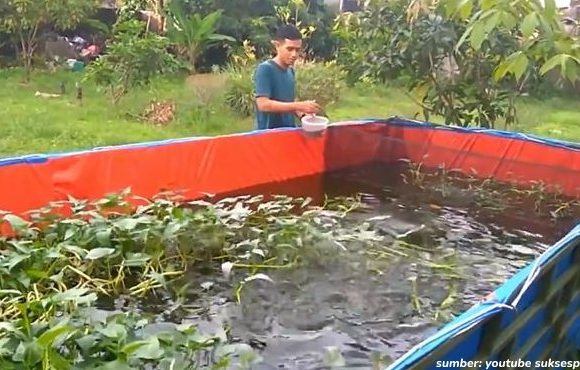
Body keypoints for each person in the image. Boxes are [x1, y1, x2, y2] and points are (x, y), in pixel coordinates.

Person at [253, 24, 321, 130]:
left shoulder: (290, 71)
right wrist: (299, 105)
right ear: (277, 46)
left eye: (297, 50)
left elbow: (289, 100)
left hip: (287, 132)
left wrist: (303, 115)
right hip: (268, 136)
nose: (294, 54)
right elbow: (263, 104)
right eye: (289, 49)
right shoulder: (265, 69)